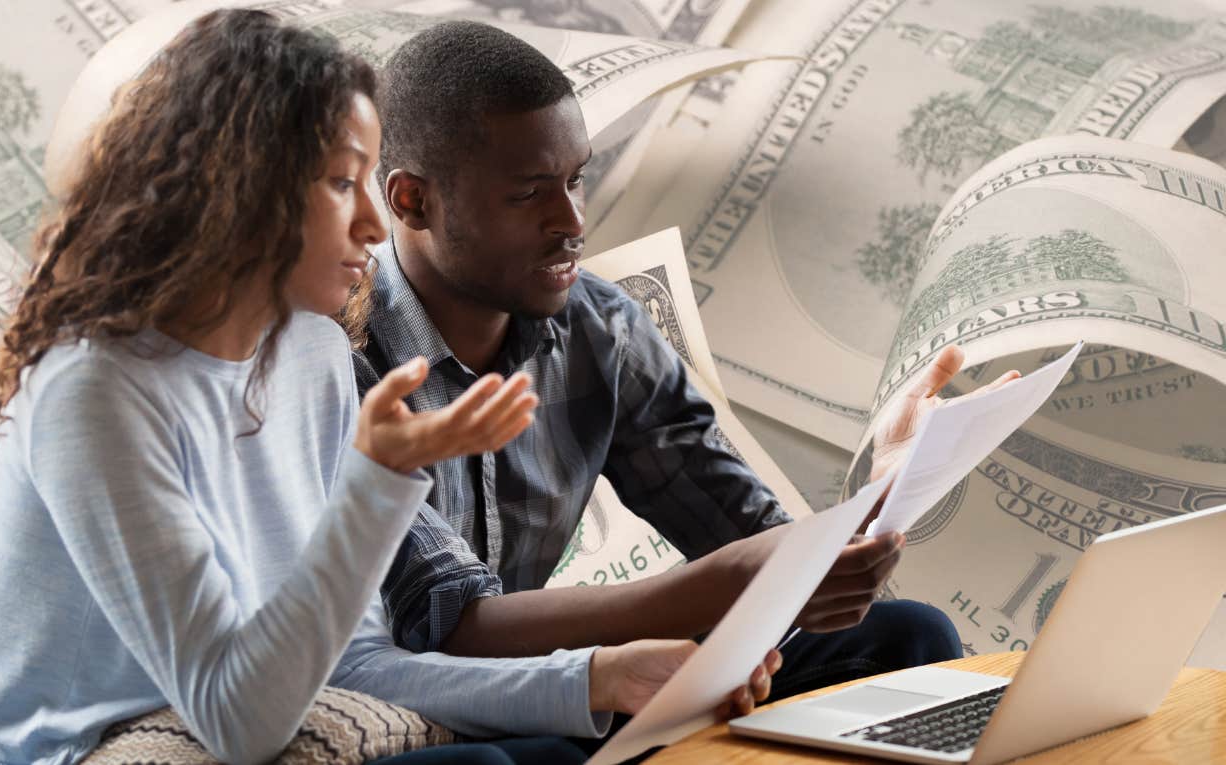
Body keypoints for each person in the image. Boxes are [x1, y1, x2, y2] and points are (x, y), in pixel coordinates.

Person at [332, 20, 1020, 741]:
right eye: (530, 193)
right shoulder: (337, 362)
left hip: (564, 681)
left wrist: (887, 491)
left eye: (575, 180)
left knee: (905, 635)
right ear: (410, 201)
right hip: (437, 699)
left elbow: (756, 542)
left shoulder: (603, 329)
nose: (571, 222)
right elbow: (447, 628)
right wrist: (728, 584)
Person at [0, 11, 549, 765]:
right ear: (240, 187)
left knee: (553, 747)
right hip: (45, 752)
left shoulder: (312, 353)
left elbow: (349, 665)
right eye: (343, 182)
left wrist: (598, 677)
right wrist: (379, 479)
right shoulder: (93, 392)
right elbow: (238, 722)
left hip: (202, 727)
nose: (375, 224)